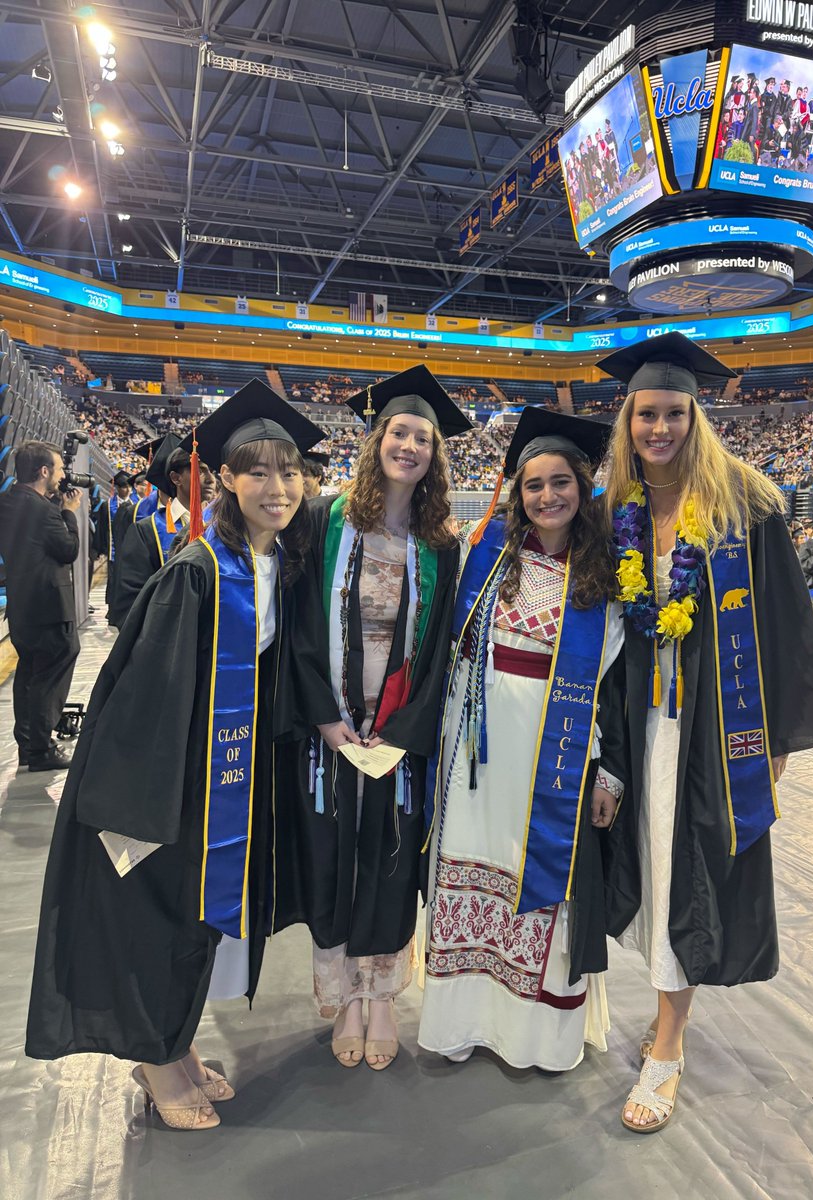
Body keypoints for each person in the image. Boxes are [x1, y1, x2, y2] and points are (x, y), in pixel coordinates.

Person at [26, 381, 327, 1132]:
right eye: (258, 470)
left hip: (224, 777)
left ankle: (178, 1046)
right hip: (170, 784)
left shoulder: (268, 565)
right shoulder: (198, 572)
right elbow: (144, 696)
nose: (278, 486)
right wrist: (139, 806)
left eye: (289, 471)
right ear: (225, 477)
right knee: (160, 915)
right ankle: (158, 1062)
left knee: (197, 922)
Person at [597, 333, 813, 1133]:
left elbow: (782, 623)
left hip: (713, 731)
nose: (660, 428)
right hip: (641, 727)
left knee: (693, 872)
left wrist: (773, 744)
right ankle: (670, 1011)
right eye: (647, 414)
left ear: (696, 415)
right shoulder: (619, 509)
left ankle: (668, 1042)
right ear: (628, 419)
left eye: (675, 412)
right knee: (653, 869)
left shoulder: (748, 505)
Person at [417, 408, 627, 1070]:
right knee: (473, 875)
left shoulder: (608, 576)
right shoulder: (489, 558)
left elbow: (618, 688)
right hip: (478, 754)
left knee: (541, 886)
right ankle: (463, 1023)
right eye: (533, 485)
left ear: (584, 486)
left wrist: (610, 772)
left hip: (556, 759)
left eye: (560, 481)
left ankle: (535, 1037)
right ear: (518, 493)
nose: (546, 496)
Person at [275, 365, 467, 1071]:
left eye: (423, 436)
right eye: (399, 431)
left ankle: (381, 995)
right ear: (377, 440)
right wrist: (325, 719)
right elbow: (298, 625)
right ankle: (344, 993)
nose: (409, 444)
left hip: (395, 734)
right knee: (332, 852)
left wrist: (405, 730)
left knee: (390, 855)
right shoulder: (324, 521)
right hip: (332, 732)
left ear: (435, 455)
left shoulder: (442, 545)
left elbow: (442, 645)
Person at [0, 441, 83, 772]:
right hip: (50, 607)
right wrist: (69, 514)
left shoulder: (7, 503)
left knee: (30, 674)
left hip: (22, 605)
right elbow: (67, 549)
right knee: (51, 672)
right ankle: (41, 748)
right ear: (44, 471)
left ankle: (28, 744)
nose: (62, 475)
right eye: (60, 468)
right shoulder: (45, 510)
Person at [110, 434, 215, 628]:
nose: (210, 479)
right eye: (200, 471)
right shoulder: (146, 531)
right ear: (176, 478)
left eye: (213, 472)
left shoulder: (223, 528)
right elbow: (129, 606)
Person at [94, 468, 139, 623]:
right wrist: (100, 548)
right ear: (117, 488)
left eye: (128, 487)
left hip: (131, 550)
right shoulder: (107, 506)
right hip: (114, 550)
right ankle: (112, 609)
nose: (126, 490)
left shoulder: (138, 506)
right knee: (113, 580)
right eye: (123, 487)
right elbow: (101, 528)